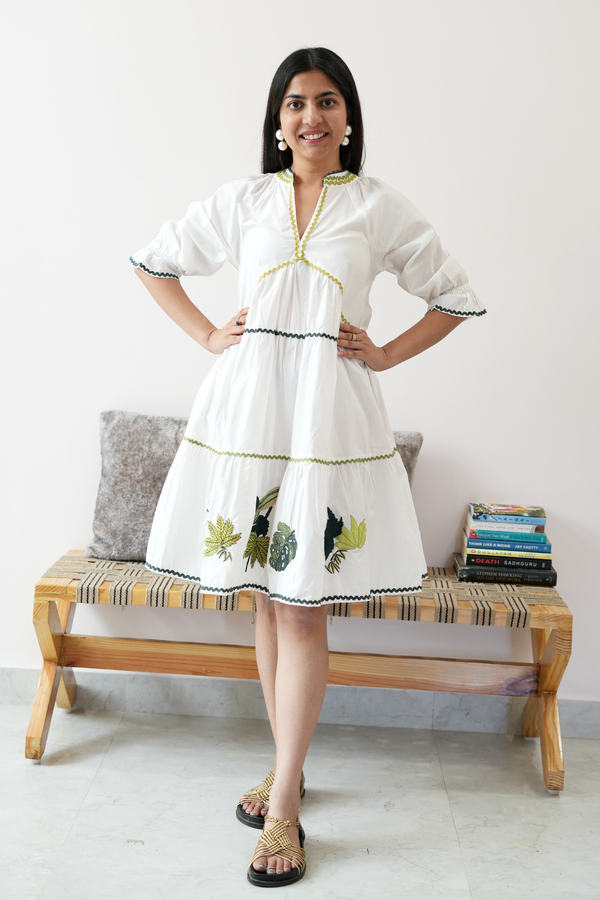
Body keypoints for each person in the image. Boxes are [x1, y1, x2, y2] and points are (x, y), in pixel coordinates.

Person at [130, 47, 486, 888]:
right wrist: (210, 334)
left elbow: (455, 293)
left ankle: (284, 800)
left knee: (301, 609)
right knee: (264, 597)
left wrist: (388, 352)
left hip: (328, 417)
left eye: (326, 102)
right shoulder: (246, 199)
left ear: (349, 118)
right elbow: (155, 260)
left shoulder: (376, 206)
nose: (310, 117)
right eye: (295, 104)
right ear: (277, 120)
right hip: (250, 414)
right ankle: (284, 765)